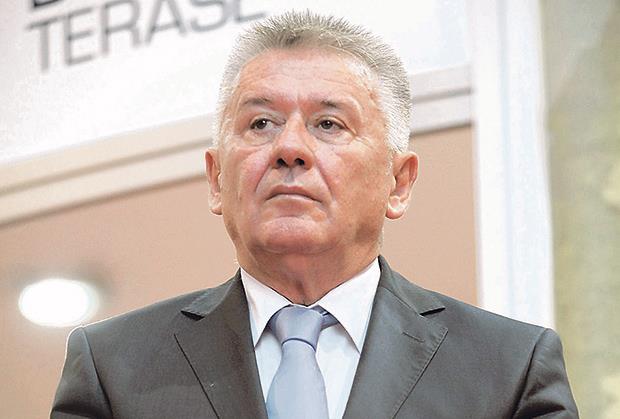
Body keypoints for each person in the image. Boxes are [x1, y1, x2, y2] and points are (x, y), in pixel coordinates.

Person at [51, 11, 579, 419]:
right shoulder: (113, 368)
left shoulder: (509, 369)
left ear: (398, 183)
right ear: (216, 180)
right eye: (260, 123)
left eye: (328, 124)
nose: (289, 148)